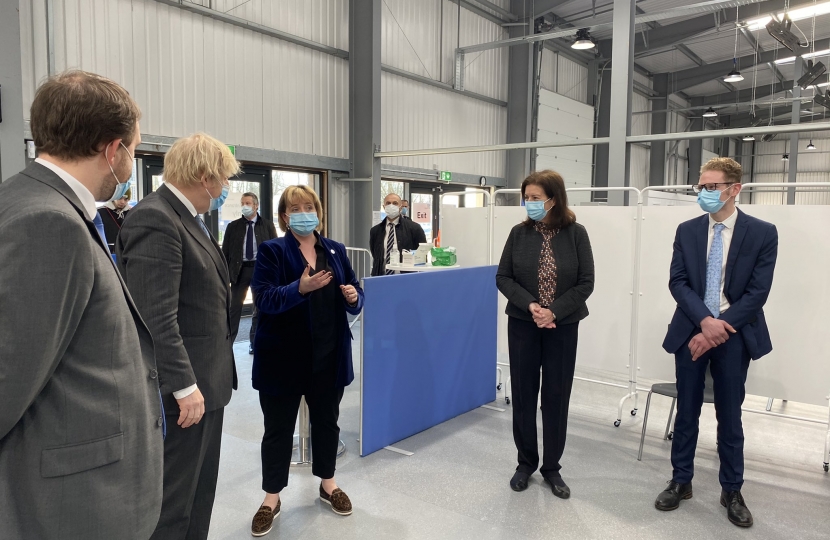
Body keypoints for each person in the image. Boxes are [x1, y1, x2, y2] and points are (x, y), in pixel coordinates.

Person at [0, 70, 163, 539]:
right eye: (133, 149)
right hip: (77, 505)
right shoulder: (48, 224)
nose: (131, 162)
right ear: (113, 151)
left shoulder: (26, 198)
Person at [117, 133, 240, 540]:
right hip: (183, 396)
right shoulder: (157, 218)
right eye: (222, 180)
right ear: (205, 176)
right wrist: (185, 387)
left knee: (198, 497)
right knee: (173, 507)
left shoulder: (191, 220)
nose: (223, 190)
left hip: (209, 385)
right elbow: (155, 318)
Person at [654, 158, 778, 528]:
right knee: (687, 408)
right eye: (701, 187)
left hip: (735, 335)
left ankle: (732, 489)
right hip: (692, 329)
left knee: (730, 413)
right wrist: (706, 323)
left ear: (734, 189)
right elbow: (678, 282)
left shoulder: (762, 232)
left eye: (711, 187)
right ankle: (681, 480)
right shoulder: (687, 230)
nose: (705, 193)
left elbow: (757, 293)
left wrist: (720, 327)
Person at [248, 185, 364, 537]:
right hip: (283, 358)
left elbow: (356, 293)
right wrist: (300, 289)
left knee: (327, 424)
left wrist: (353, 296)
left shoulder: (335, 250)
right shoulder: (272, 251)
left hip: (328, 356)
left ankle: (328, 484)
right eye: (294, 208)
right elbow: (264, 300)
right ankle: (271, 497)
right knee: (279, 430)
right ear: (284, 216)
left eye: (309, 206)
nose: (303, 212)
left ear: (319, 211)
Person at [496, 170, 595, 499]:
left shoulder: (576, 234)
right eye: (527, 197)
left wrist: (555, 311)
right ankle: (525, 463)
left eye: (536, 197)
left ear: (554, 198)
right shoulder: (518, 234)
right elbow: (504, 277)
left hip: (563, 327)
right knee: (524, 395)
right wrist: (533, 307)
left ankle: (551, 467)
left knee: (556, 396)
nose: (530, 203)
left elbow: (586, 282)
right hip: (524, 324)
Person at [222, 192, 278, 353]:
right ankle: (227, 346)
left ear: (256, 205)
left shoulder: (267, 225)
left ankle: (255, 343)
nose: (244, 206)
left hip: (260, 271)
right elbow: (225, 252)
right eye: (242, 203)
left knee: (259, 308)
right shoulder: (233, 227)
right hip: (239, 271)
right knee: (233, 309)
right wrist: (225, 275)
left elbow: (274, 250)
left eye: (248, 203)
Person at [369, 193, 426, 276]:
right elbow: (375, 254)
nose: (391, 205)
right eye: (388, 203)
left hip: (406, 278)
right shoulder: (375, 231)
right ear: (384, 207)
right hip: (381, 278)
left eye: (395, 203)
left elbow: (422, 254)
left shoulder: (414, 228)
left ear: (400, 207)